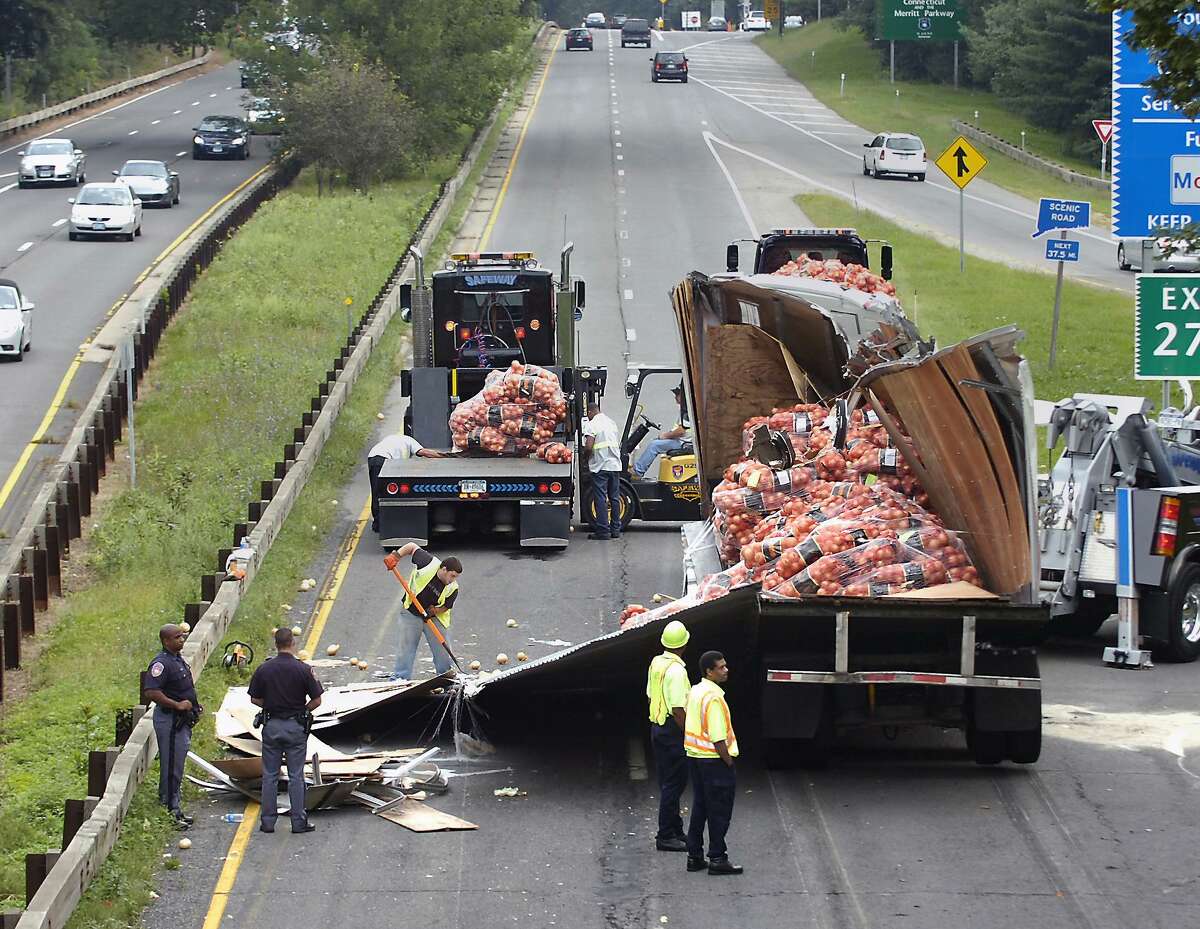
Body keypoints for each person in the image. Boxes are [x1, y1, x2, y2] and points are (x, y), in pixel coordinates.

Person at [248, 627, 324, 834]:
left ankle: (267, 822)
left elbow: (254, 698)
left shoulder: (265, 669)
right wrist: (302, 711)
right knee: (296, 776)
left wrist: (270, 705)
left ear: (276, 644)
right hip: (295, 727)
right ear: (292, 643)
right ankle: (299, 822)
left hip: (271, 726)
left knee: (270, 775)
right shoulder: (303, 669)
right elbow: (316, 700)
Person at [684, 650, 743, 875]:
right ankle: (718, 858)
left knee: (700, 807)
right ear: (709, 671)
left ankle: (694, 856)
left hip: (695, 757)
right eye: (721, 667)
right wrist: (729, 762)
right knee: (719, 811)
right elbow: (719, 738)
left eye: (725, 666)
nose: (726, 670)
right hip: (714, 761)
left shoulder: (696, 690)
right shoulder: (715, 698)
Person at [144, 624, 202, 829]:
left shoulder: (177, 660)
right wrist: (177, 705)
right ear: (166, 641)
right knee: (171, 767)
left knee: (177, 765)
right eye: (177, 637)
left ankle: (174, 805)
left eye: (182, 636)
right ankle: (171, 811)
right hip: (170, 721)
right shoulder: (160, 664)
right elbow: (151, 691)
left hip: (181, 721)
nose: (181, 640)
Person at [647, 620, 691, 852]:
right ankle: (665, 835)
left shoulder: (657, 663)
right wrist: (689, 735)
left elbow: (649, 695)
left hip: (658, 727)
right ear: (684, 645)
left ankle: (675, 829)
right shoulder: (677, 671)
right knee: (675, 784)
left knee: (667, 781)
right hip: (673, 730)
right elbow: (678, 709)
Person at [390, 540, 462, 681]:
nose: (453, 580)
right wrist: (396, 556)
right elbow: (411, 546)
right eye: (452, 575)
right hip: (411, 612)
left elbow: (447, 606)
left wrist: (435, 610)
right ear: (444, 569)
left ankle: (446, 678)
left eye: (456, 577)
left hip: (434, 618)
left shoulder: (453, 588)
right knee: (407, 646)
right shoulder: (428, 563)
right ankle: (400, 678)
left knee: (442, 650)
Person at [367, 433, 445, 532]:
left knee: (376, 490)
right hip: (383, 459)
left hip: (372, 457)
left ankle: (378, 522)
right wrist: (444, 456)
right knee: (381, 492)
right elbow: (424, 452)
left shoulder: (392, 439)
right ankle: (379, 523)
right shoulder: (410, 441)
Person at [583, 400, 623, 541]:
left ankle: (603, 531)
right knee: (614, 497)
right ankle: (616, 530)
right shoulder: (611, 422)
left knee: (600, 497)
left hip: (600, 466)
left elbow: (588, 446)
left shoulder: (591, 424)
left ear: (589, 412)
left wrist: (585, 460)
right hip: (614, 465)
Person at [633, 383, 690, 480]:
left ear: (682, 396)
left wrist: (665, 435)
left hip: (684, 443)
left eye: (677, 394)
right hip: (682, 441)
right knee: (656, 442)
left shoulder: (687, 411)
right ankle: (638, 470)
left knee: (654, 445)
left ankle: (638, 472)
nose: (675, 397)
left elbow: (681, 431)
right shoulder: (685, 410)